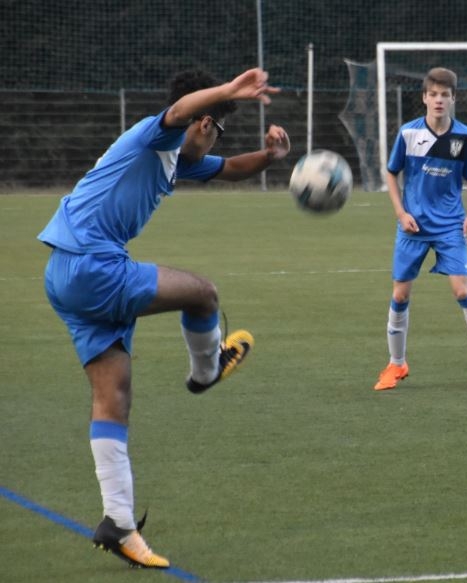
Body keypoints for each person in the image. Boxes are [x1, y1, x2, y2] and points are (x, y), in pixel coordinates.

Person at [37, 68, 291, 568]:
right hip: (93, 265)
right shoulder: (157, 134)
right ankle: (206, 372)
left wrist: (270, 158)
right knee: (203, 294)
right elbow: (177, 112)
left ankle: (118, 524)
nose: (217, 139)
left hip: (64, 274)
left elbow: (230, 168)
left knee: (113, 396)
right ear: (204, 123)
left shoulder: (177, 159)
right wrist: (227, 91)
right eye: (218, 128)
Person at [374, 67, 467, 391]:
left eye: (445, 95)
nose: (439, 100)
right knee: (400, 294)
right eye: (433, 95)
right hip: (413, 226)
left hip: (449, 225)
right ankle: (397, 363)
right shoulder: (408, 133)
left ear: (453, 98)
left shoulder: (465, 136)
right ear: (424, 98)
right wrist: (401, 213)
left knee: (462, 291)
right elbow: (391, 173)